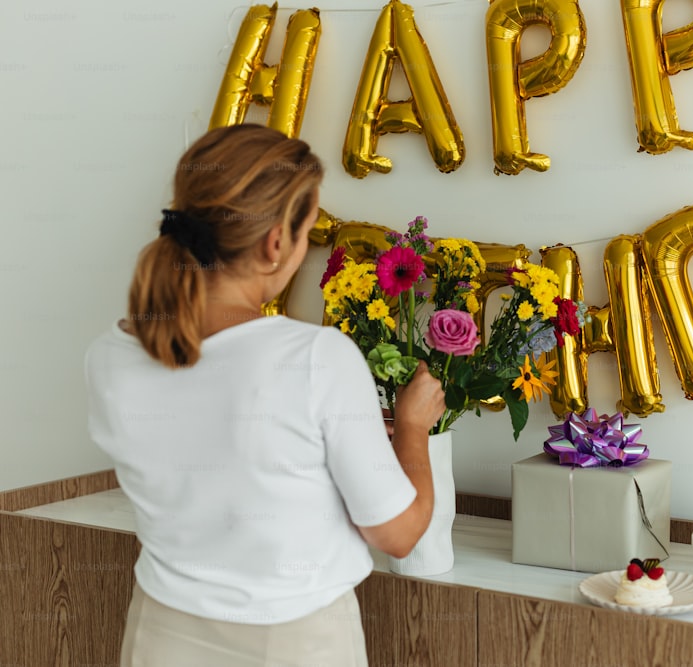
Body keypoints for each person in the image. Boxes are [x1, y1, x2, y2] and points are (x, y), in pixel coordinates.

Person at [84, 123, 445, 667]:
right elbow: (397, 534)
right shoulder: (315, 359)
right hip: (296, 646)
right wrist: (413, 427)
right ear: (276, 241)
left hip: (158, 635)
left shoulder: (109, 355)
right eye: (308, 232)